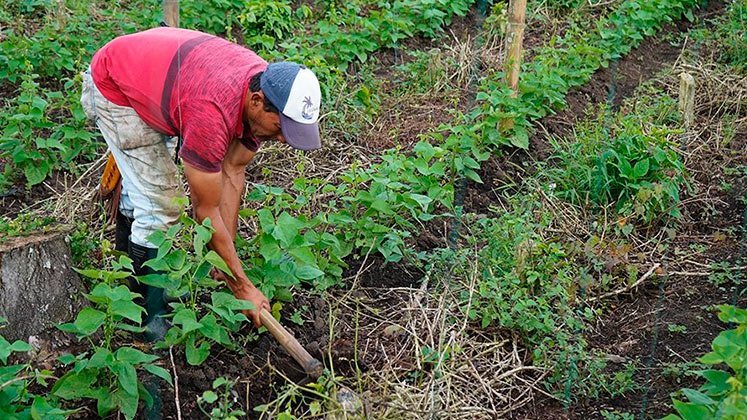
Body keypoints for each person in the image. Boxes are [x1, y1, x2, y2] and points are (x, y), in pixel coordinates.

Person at [80, 27, 322, 339]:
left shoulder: (264, 90)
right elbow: (205, 210)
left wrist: (226, 259)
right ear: (257, 101)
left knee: (145, 192)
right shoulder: (213, 111)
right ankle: (146, 319)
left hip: (163, 78)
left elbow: (233, 172)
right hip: (117, 84)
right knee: (161, 207)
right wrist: (241, 285)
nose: (281, 139)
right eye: (280, 129)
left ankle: (130, 277)